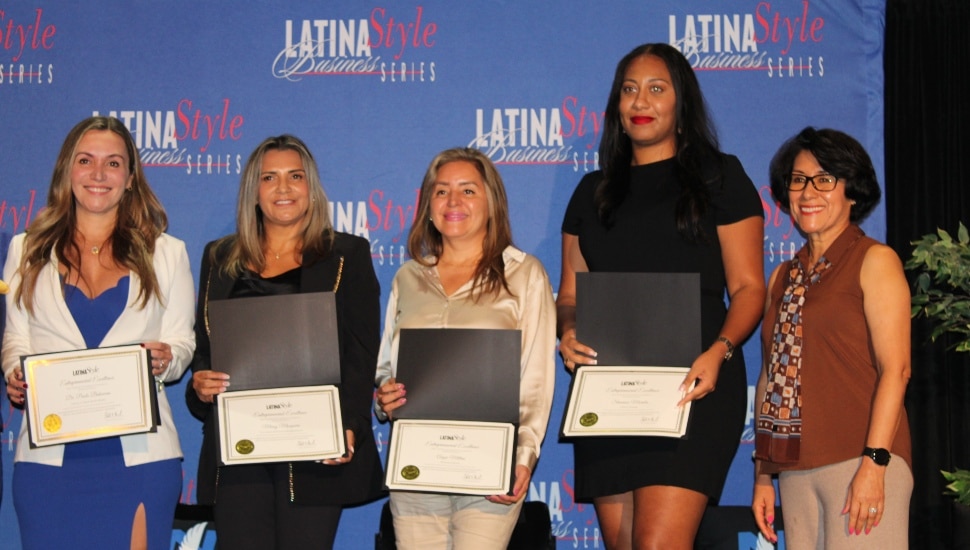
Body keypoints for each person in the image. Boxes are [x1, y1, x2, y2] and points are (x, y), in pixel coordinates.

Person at [556, 43, 766, 549]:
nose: (640, 100)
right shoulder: (592, 191)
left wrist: (721, 351)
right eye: (629, 89)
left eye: (656, 88)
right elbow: (569, 293)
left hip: (693, 386)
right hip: (611, 392)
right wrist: (567, 330)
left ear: (681, 103)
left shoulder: (720, 177)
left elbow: (748, 289)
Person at [2, 116, 195, 549]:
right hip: (48, 459)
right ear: (67, 171)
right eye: (86, 160)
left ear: (130, 178)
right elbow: (17, 339)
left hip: (140, 459)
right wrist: (17, 372)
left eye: (113, 163)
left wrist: (168, 358)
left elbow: (183, 341)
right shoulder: (25, 248)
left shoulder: (168, 252)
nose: (98, 174)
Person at [186, 134, 384, 549]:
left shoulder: (347, 254)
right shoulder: (219, 258)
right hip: (240, 450)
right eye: (269, 177)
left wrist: (349, 426)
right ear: (252, 193)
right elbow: (205, 352)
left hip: (314, 449)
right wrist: (200, 385)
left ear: (311, 187)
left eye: (295, 176)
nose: (283, 188)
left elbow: (361, 355)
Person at [375, 147, 556, 549]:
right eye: (441, 191)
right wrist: (384, 395)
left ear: (492, 201)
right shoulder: (408, 277)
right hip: (416, 468)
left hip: (490, 469)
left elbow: (536, 380)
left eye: (468, 190)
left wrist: (523, 456)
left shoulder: (524, 275)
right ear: (428, 205)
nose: (453, 202)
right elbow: (387, 364)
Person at [751, 127, 913, 548]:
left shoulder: (874, 260)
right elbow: (771, 379)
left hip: (862, 458)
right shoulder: (782, 277)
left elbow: (896, 370)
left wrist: (875, 463)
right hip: (794, 469)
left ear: (852, 191)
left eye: (825, 179)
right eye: (798, 180)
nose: (808, 192)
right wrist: (763, 475)